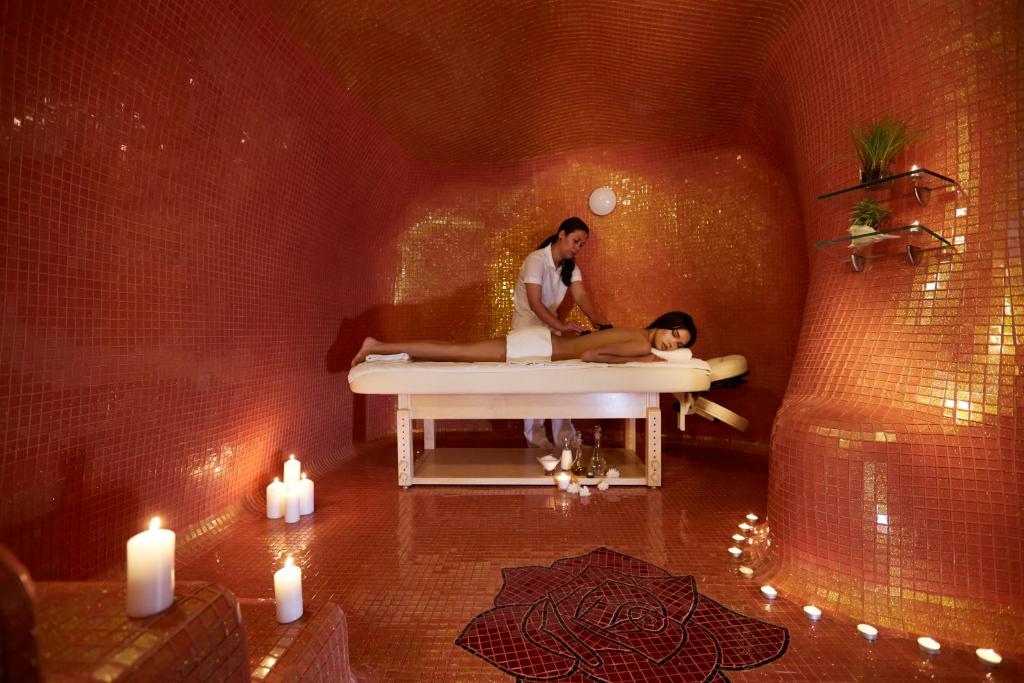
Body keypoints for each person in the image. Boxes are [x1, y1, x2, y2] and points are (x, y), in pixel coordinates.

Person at [513, 217, 610, 449]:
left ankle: (566, 439)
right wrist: (562, 326)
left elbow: (581, 295)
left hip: (551, 332)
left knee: (561, 382)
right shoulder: (535, 260)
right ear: (561, 234)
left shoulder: (570, 267)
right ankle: (537, 441)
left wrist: (596, 321)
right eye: (575, 241)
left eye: (582, 245)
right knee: (535, 387)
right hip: (527, 332)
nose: (578, 248)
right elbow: (535, 303)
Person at [350, 312, 697, 367]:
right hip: (539, 347)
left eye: (679, 344)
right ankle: (376, 346)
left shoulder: (635, 332)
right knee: (456, 351)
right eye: (675, 334)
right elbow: (591, 356)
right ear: (665, 323)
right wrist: (643, 360)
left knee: (456, 350)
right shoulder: (640, 344)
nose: (673, 344)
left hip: (541, 341)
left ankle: (378, 346)